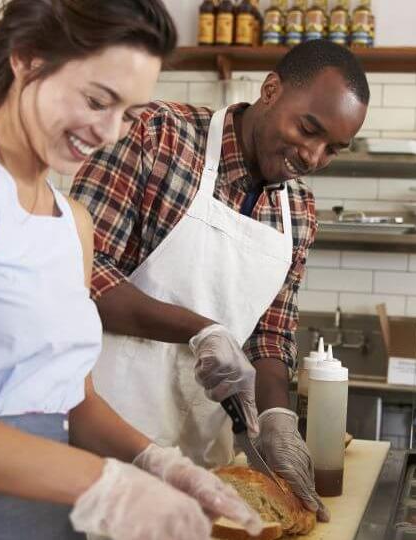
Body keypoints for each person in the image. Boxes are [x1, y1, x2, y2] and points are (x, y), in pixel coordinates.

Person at [0, 1, 262, 539]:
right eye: (97, 100)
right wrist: (104, 482)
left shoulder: (74, 222)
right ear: (26, 60)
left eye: (130, 114)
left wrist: (160, 464)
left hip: (42, 521)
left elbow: (71, 399)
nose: (110, 133)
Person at [71, 39, 370, 522]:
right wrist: (200, 328)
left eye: (333, 149)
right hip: (101, 437)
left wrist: (277, 419)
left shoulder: (300, 212)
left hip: (201, 467)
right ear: (271, 90)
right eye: (308, 129)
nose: (313, 156)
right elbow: (79, 272)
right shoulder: (157, 136)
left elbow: (271, 336)